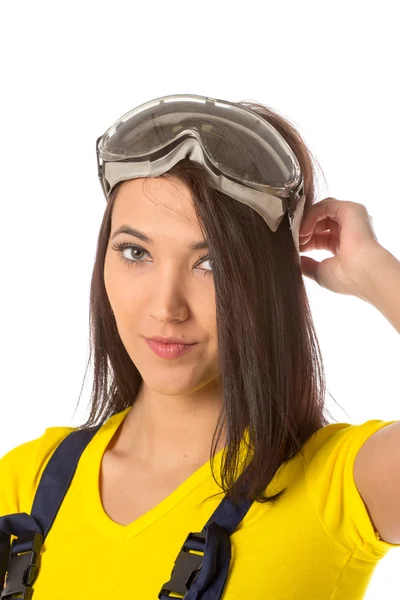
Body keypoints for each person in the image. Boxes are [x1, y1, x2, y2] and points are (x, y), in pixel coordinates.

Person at [1, 94, 399, 599]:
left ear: (266, 282)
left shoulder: (338, 488)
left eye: (210, 264)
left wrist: (375, 270)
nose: (166, 307)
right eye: (135, 252)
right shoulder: (27, 486)